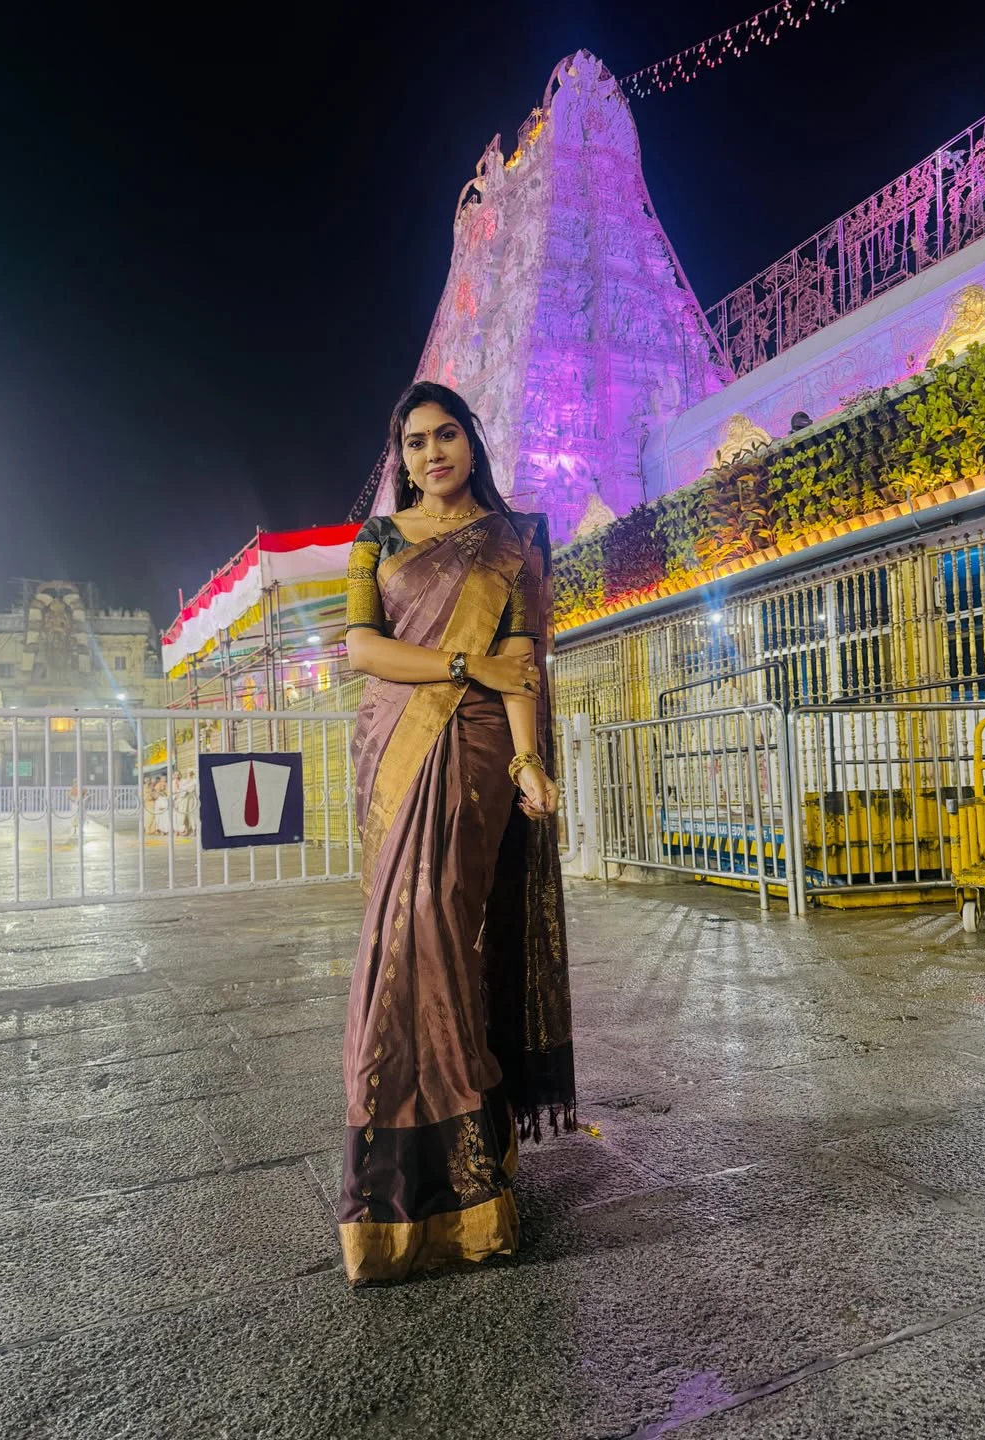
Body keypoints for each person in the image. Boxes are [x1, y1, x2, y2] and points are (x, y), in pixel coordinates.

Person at [338, 380, 576, 1286]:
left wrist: (527, 764)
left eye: (444, 436)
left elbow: (522, 667)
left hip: (476, 749)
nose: (429, 455)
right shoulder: (379, 539)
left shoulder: (514, 543)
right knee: (398, 939)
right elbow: (361, 649)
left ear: (471, 442)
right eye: (412, 443)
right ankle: (425, 1179)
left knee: (436, 927)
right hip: (392, 747)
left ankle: (463, 1174)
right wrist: (460, 662)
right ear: (399, 457)